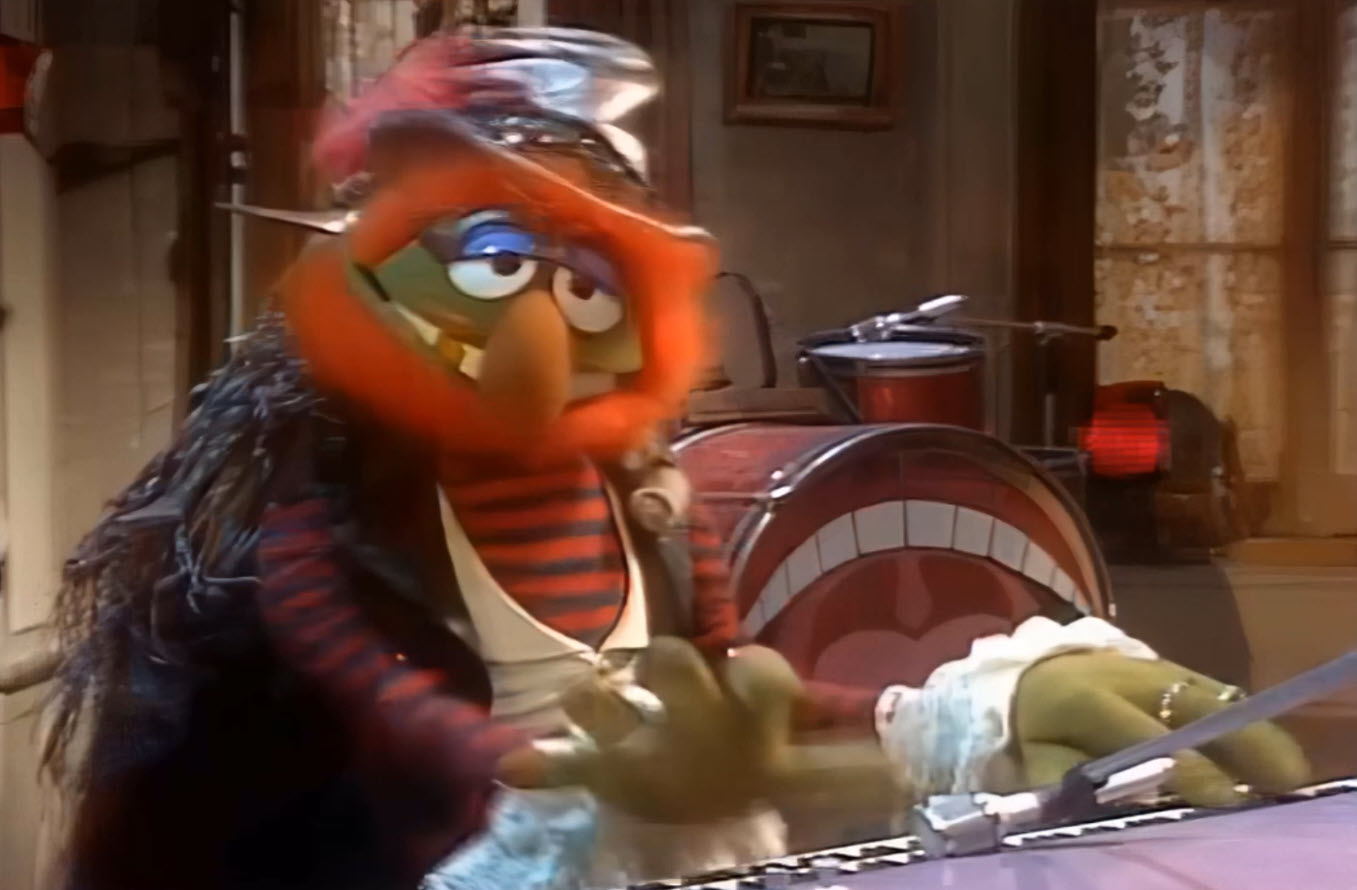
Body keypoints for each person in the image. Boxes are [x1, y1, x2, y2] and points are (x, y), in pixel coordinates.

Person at [44, 27, 1309, 890]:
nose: (538, 331)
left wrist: (946, 717)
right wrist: (608, 780)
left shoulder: (648, 506)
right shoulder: (307, 538)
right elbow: (412, 744)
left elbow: (728, 690)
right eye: (488, 263)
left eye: (583, 282)